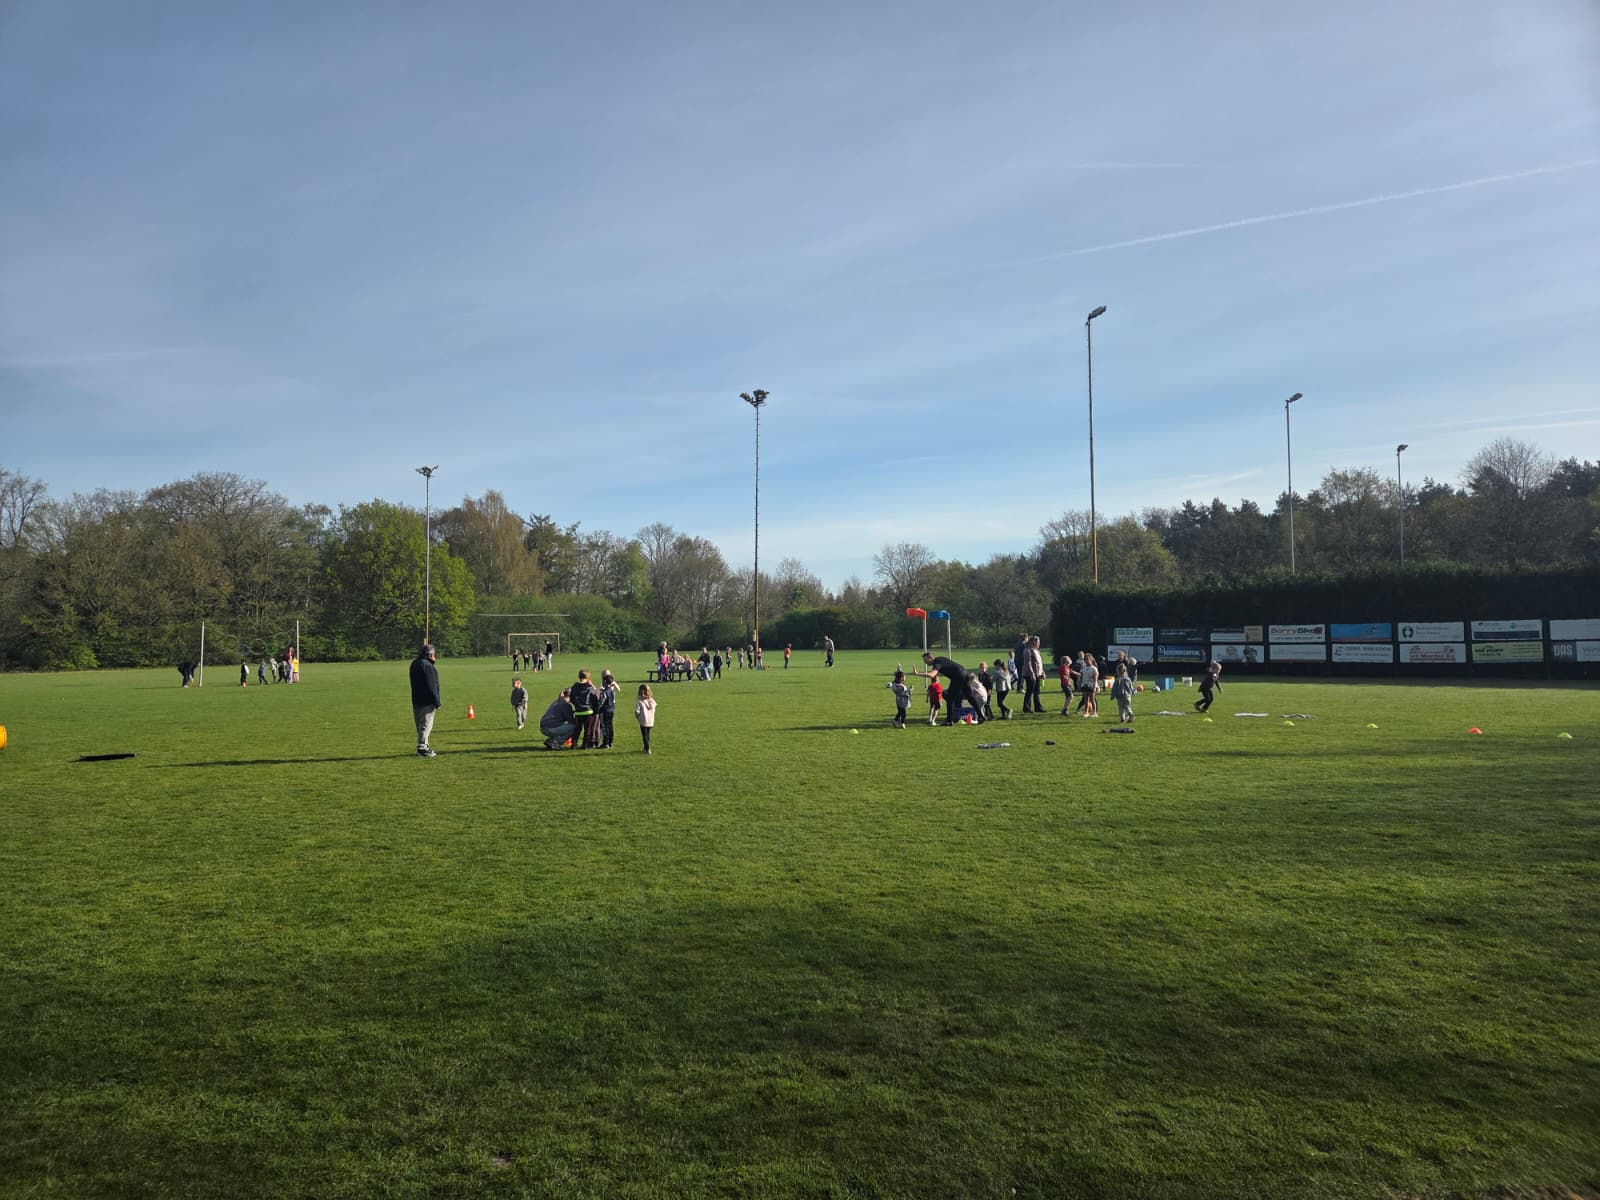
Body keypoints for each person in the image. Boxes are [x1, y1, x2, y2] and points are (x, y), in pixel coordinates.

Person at [919, 652, 984, 725]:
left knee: (949, 696)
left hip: (957, 676)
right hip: (965, 673)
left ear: (930, 658)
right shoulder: (941, 658)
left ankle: (949, 720)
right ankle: (981, 716)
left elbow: (932, 675)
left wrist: (918, 673)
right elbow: (946, 668)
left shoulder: (936, 662)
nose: (925, 662)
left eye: (925, 660)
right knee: (970, 697)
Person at [410, 642, 441, 757]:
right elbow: (432, 685)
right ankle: (422, 747)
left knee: (420, 724)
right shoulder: (428, 666)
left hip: (416, 699)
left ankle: (424, 745)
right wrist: (436, 701)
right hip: (427, 700)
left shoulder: (414, 664)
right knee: (426, 724)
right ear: (430, 655)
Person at [570, 669, 600, 749]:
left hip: (578, 711)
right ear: (588, 677)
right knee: (588, 730)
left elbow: (571, 698)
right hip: (588, 711)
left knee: (577, 729)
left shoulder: (574, 687)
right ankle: (585, 745)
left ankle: (574, 744)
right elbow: (595, 698)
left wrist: (576, 705)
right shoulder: (589, 688)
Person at [1021, 636, 1044, 714]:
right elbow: (1028, 663)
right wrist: (1032, 674)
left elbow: (1039, 663)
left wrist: (1042, 672)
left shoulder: (1037, 651)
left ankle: (1038, 707)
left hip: (1037, 673)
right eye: (1038, 642)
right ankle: (1026, 708)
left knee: (1037, 691)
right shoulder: (1027, 650)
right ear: (1033, 642)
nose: (1039, 643)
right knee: (1030, 691)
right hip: (1029, 674)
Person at [598, 670, 619, 748]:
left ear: (605, 682)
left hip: (605, 711)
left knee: (604, 726)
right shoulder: (612, 691)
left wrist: (597, 709)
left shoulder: (604, 692)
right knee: (610, 726)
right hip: (611, 709)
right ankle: (610, 742)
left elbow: (601, 703)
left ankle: (605, 743)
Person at [635, 683, 656, 754]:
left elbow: (637, 711)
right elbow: (654, 706)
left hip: (643, 721)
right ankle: (645, 747)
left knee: (644, 735)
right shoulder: (651, 700)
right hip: (650, 721)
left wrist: (637, 717)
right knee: (647, 734)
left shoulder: (639, 701)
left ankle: (647, 748)